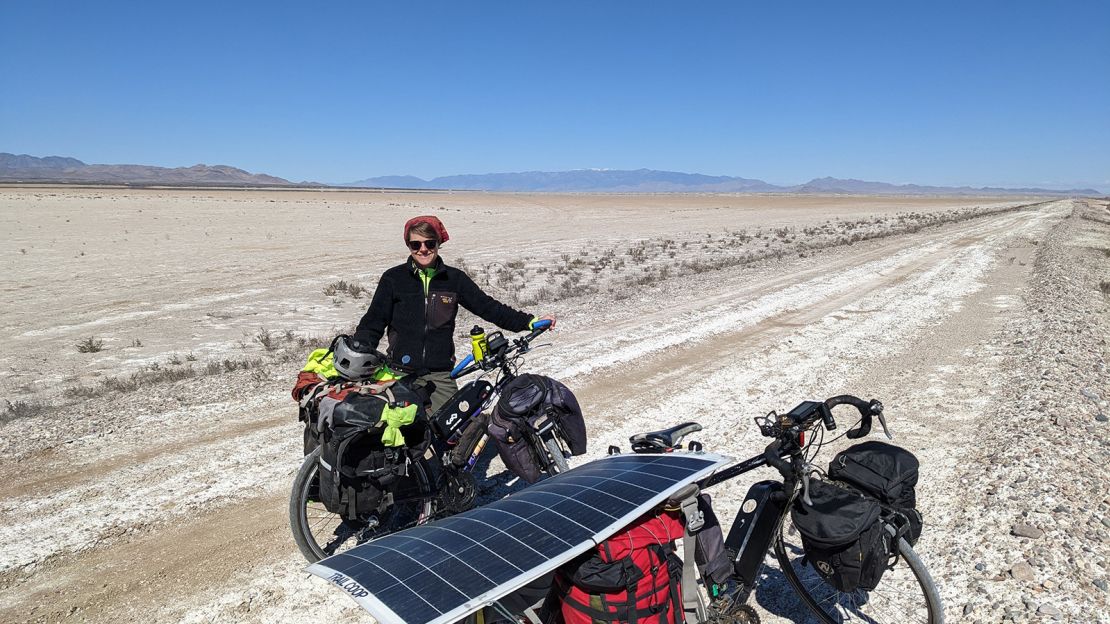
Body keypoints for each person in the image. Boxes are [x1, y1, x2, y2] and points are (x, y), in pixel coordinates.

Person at [354, 215, 556, 414]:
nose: (423, 249)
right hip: (399, 373)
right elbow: (372, 323)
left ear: (439, 242)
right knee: (400, 436)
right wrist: (356, 358)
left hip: (440, 376)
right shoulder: (393, 279)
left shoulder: (454, 279)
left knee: (454, 437)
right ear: (408, 246)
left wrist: (530, 322)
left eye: (429, 243)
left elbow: (488, 308)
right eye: (415, 245)